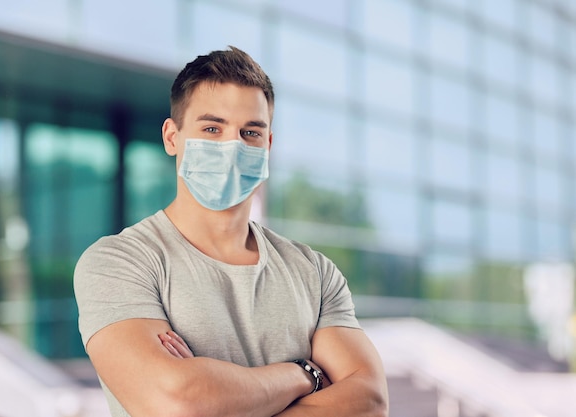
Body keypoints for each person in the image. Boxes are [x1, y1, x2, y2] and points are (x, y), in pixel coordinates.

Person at [74, 46, 389, 417]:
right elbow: (176, 402)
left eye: (250, 132)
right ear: (172, 137)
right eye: (212, 128)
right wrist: (303, 374)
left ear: (267, 145)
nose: (232, 146)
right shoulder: (118, 263)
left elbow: (369, 400)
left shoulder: (314, 272)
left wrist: (220, 399)